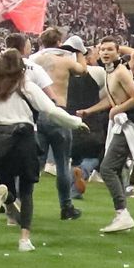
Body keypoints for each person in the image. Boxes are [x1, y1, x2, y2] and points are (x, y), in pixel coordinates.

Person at [0, 50, 87, 252]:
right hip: (23, 137)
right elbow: (51, 110)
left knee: (7, 183)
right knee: (27, 191)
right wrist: (76, 122)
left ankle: (7, 196)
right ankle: (24, 239)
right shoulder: (27, 86)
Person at [77, 38, 134, 234]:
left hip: (128, 125)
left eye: (110, 49)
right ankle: (122, 214)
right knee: (114, 169)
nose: (106, 53)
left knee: (107, 169)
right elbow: (110, 101)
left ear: (118, 52)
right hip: (121, 123)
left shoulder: (121, 72)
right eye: (102, 50)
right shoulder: (109, 72)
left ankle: (122, 213)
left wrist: (116, 110)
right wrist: (89, 111)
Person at [30, 29, 88, 221]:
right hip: (59, 111)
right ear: (59, 41)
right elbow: (83, 69)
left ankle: (20, 200)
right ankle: (66, 206)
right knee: (63, 164)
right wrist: (78, 50)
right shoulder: (65, 61)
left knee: (33, 164)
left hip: (38, 113)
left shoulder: (34, 61)